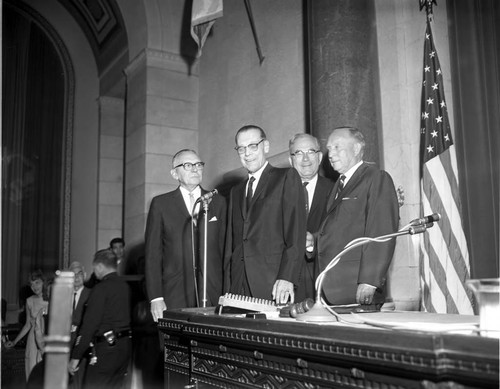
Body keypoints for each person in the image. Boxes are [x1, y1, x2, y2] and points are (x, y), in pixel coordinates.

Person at [308, 127, 399, 307]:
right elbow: (340, 231)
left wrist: (370, 280)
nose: (330, 154)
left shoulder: (376, 177)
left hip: (357, 288)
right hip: (331, 288)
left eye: (336, 147)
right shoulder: (338, 185)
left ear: (356, 149)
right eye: (329, 148)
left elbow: (381, 231)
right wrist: (313, 240)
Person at [224, 125, 307, 304]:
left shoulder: (286, 177)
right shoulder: (236, 191)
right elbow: (233, 244)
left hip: (274, 284)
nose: (247, 153)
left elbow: (296, 232)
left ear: (266, 146)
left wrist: (287, 277)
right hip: (239, 286)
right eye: (241, 148)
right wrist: (229, 286)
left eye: (253, 146)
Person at [145, 149, 227, 322]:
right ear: (175, 173)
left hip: (213, 294)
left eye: (198, 165)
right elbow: (153, 255)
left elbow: (225, 250)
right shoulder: (161, 204)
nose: (195, 169)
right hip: (174, 294)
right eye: (188, 165)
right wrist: (156, 297)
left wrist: (227, 293)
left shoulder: (218, 202)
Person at [68, 249, 131, 388]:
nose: (94, 271)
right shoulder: (125, 286)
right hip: (124, 348)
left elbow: (89, 325)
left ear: (100, 266)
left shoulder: (101, 289)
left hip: (106, 350)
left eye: (94, 267)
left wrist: (75, 357)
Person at [288, 133, 334, 301]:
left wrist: (313, 241)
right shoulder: (277, 194)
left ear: (320, 156)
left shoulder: (336, 190)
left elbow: (340, 232)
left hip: (323, 282)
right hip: (287, 284)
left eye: (311, 152)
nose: (305, 158)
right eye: (299, 153)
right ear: (290, 160)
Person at [5, 270, 49, 381]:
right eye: (31, 284)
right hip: (33, 340)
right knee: (33, 372)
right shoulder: (29, 301)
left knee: (47, 373)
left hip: (47, 337)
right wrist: (14, 342)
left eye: (37, 282)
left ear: (43, 282)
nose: (34, 287)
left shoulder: (51, 299)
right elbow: (27, 325)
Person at [67, 261, 91, 389]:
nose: (76, 277)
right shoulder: (63, 295)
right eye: (73, 274)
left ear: (85, 275)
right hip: (64, 345)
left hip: (82, 345)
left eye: (79, 273)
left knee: (80, 381)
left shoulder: (92, 294)